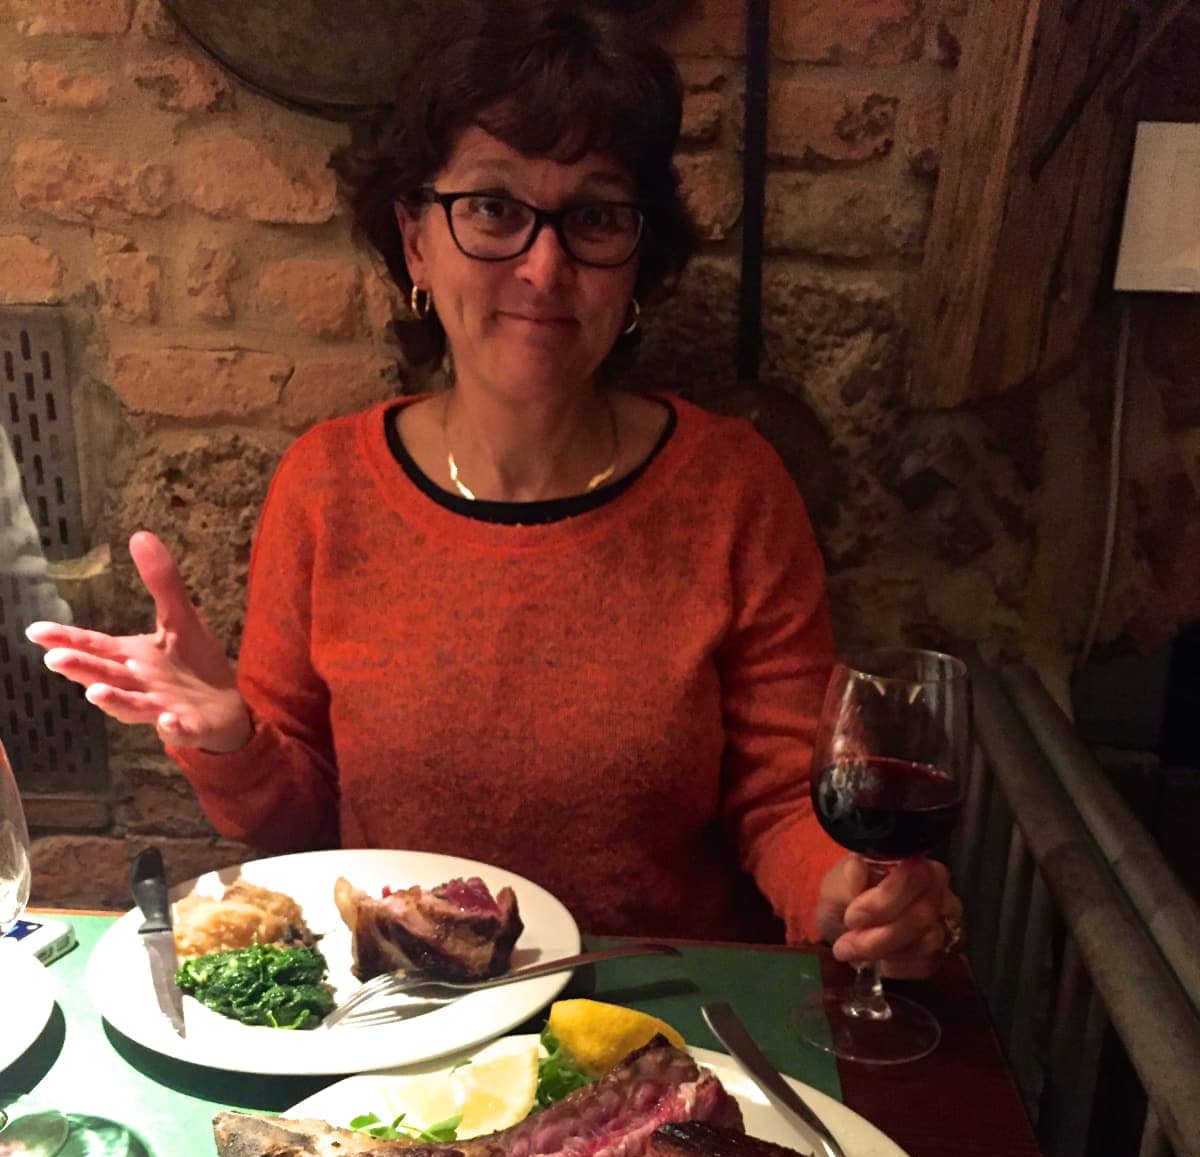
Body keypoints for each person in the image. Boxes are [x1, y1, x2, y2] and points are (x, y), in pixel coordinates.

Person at [26, 0, 959, 973]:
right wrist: (230, 740)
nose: (544, 266)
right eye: (494, 209)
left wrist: (847, 891)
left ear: (637, 258)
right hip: (408, 1024)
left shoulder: (731, 489)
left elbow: (779, 805)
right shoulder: (326, 486)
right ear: (416, 240)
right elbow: (301, 829)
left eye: (594, 215)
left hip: (658, 1018)